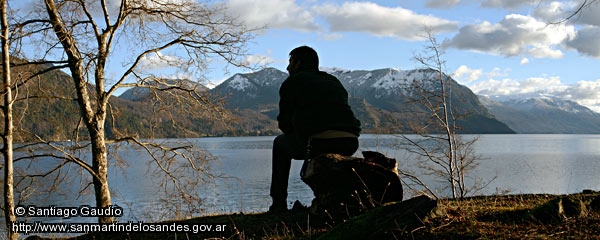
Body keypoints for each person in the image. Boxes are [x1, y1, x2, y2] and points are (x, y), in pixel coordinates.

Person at [269, 46, 361, 212]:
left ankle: (278, 204)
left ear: (298, 64)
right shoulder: (333, 81)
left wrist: (298, 131)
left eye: (290, 62)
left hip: (318, 142)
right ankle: (335, 202)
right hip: (350, 141)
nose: (287, 67)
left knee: (280, 144)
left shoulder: (293, 82)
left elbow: (284, 123)